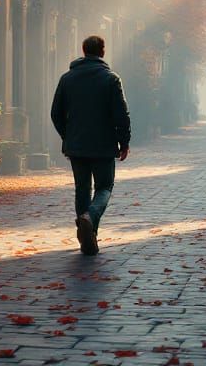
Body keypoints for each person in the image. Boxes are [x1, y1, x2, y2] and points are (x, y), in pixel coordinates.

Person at [50, 35, 131, 256]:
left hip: (76, 146)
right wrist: (124, 141)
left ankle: (87, 238)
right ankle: (90, 219)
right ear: (102, 51)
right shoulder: (111, 79)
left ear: (84, 51)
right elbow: (121, 114)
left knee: (82, 189)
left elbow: (55, 113)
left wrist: (68, 135)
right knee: (104, 187)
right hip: (104, 145)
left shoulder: (67, 78)